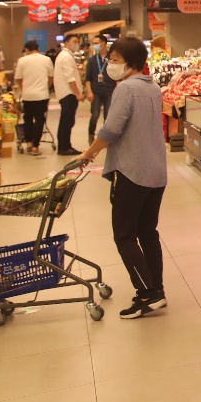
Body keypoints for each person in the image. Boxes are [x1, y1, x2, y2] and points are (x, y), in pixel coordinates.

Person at [81, 37, 167, 319]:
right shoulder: (152, 87)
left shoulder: (125, 89)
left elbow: (111, 129)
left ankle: (147, 293)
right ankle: (157, 289)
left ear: (130, 63)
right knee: (148, 232)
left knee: (125, 235)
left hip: (132, 172)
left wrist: (89, 152)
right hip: (156, 171)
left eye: (115, 59)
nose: (110, 63)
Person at [13, 40, 54, 155]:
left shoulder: (22, 60)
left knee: (28, 119)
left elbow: (18, 78)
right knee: (40, 119)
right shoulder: (47, 59)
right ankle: (36, 146)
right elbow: (51, 76)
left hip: (28, 96)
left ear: (26, 49)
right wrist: (46, 87)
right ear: (38, 48)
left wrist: (24, 88)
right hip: (42, 95)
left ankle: (29, 142)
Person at [53, 35, 85, 155]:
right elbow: (70, 78)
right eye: (74, 41)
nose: (77, 44)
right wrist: (78, 94)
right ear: (66, 42)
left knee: (67, 121)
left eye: (78, 42)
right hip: (68, 93)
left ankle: (65, 145)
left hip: (67, 93)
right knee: (67, 121)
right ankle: (64, 147)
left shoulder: (65, 55)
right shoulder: (66, 57)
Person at [85, 34, 116, 144]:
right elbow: (87, 78)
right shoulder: (92, 60)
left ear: (104, 43)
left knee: (108, 115)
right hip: (96, 91)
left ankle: (105, 138)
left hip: (109, 90)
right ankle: (91, 135)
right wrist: (89, 92)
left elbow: (117, 76)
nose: (95, 45)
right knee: (94, 115)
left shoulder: (112, 59)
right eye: (94, 44)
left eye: (97, 43)